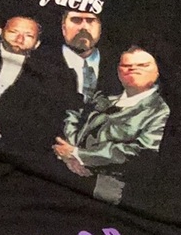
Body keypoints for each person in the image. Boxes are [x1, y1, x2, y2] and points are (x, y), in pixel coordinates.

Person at [53, 46, 170, 204]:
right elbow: (73, 117)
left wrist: (80, 155)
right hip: (66, 180)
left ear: (157, 72)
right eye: (126, 65)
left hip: (113, 192)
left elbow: (141, 153)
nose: (132, 69)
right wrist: (70, 154)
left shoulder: (160, 111)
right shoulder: (103, 99)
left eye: (142, 65)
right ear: (118, 71)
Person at [0, 16, 80, 148]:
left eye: (28, 36)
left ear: (37, 43)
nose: (19, 39)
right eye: (13, 32)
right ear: (0, 32)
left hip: (8, 148)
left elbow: (49, 125)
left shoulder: (54, 77)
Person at [61, 10, 119, 101]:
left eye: (90, 20)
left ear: (100, 28)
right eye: (76, 20)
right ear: (64, 28)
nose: (84, 27)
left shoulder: (119, 64)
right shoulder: (42, 63)